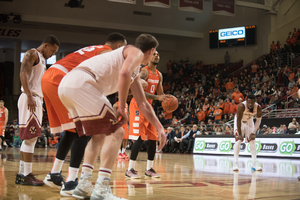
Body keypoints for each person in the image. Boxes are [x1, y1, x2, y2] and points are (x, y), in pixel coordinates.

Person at [58, 34, 166, 200]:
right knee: (117, 132)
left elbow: (143, 103)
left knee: (100, 134)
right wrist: (122, 106)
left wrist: (159, 127)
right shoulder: (135, 52)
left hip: (68, 85)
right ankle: (101, 188)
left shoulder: (135, 69)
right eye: (154, 52)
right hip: (84, 83)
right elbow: (123, 74)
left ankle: (84, 184)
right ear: (151, 50)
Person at [42, 32, 127, 196]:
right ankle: (71, 182)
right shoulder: (106, 51)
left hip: (51, 75)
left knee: (72, 130)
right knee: (82, 131)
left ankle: (54, 173)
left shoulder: (93, 48)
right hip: (63, 77)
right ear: (118, 47)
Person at [15, 35, 60, 186]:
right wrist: (29, 95)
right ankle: (25, 174)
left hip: (35, 98)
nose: (52, 54)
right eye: (52, 51)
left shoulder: (41, 58)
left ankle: (23, 173)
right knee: (30, 138)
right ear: (46, 45)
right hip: (30, 97)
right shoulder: (32, 53)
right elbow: (23, 73)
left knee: (30, 138)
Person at [126, 50, 169, 179]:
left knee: (152, 139)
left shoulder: (159, 75)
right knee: (139, 138)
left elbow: (160, 95)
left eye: (158, 54)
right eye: (154, 54)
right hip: (137, 104)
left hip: (149, 106)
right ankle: (130, 169)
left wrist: (168, 101)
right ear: (149, 57)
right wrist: (157, 98)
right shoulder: (144, 71)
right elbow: (138, 92)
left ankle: (149, 168)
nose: (157, 56)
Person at [233, 94, 262, 171]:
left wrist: (254, 132)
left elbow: (258, 120)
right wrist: (239, 134)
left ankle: (254, 163)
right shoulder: (241, 106)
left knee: (252, 141)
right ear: (246, 101)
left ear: (254, 102)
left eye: (252, 103)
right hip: (240, 122)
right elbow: (238, 120)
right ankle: (235, 163)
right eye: (249, 102)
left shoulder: (258, 107)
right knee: (238, 141)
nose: (250, 104)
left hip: (249, 121)